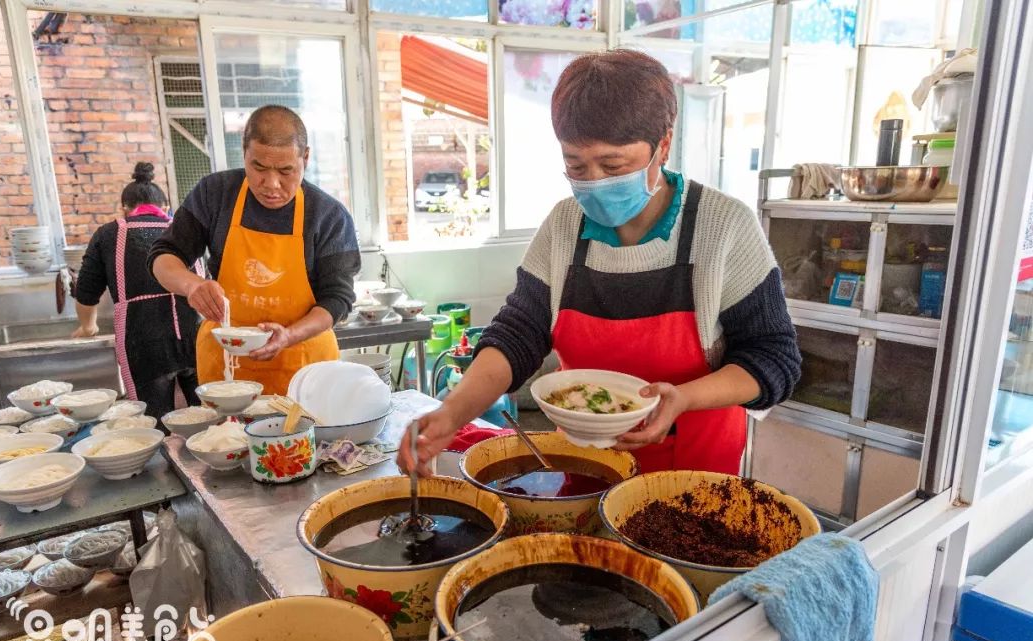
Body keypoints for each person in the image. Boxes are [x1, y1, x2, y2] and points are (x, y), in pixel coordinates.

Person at [400, 49, 801, 476]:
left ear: (662, 145)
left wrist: (684, 398)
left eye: (613, 165)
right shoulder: (563, 226)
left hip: (692, 476)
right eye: (576, 165)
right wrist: (451, 414)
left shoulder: (722, 225)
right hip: (585, 467)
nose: (594, 182)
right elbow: (518, 334)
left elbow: (775, 358)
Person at [149, 105, 360, 395]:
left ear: (305, 158)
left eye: (286, 170)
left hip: (304, 370)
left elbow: (338, 299)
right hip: (227, 370)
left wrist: (289, 336)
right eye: (258, 168)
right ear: (244, 153)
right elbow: (163, 256)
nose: (271, 185)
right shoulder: (216, 194)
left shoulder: (328, 216)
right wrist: (192, 285)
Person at [73, 162, 200, 420]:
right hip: (195, 335)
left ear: (124, 209)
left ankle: (166, 459)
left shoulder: (108, 234)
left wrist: (88, 326)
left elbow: (86, 292)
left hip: (143, 343)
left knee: (155, 423)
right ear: (164, 208)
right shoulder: (185, 229)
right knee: (210, 417)